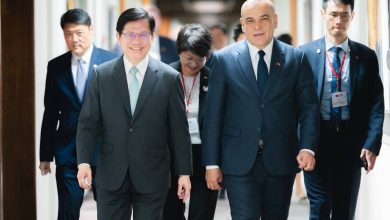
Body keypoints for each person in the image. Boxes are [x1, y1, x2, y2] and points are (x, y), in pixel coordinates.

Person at [202, 0, 320, 219]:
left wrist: (308, 147)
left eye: (263, 19)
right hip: (238, 160)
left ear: (274, 21)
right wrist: (212, 162)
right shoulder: (223, 59)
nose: (257, 26)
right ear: (243, 25)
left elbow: (309, 108)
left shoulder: (296, 58)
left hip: (281, 158)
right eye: (250, 20)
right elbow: (213, 116)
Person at [76, 8, 192, 220]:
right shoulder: (101, 75)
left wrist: (184, 173)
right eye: (130, 34)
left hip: (153, 174)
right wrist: (83, 162)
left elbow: (179, 129)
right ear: (118, 37)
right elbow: (88, 123)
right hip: (111, 173)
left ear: (152, 37)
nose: (136, 41)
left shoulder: (169, 78)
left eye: (143, 34)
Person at [300, 0, 384, 219]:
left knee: (344, 209)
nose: (338, 21)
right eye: (333, 14)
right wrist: (301, 143)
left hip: (350, 143)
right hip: (317, 141)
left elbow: (376, 102)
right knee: (319, 206)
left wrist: (372, 142)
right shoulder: (304, 55)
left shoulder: (366, 56)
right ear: (322, 14)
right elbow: (296, 103)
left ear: (352, 16)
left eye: (344, 15)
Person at [39, 8, 117, 220]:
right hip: (68, 149)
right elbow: (51, 112)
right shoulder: (55, 67)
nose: (74, 39)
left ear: (91, 30)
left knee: (109, 210)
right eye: (68, 33)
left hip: (105, 149)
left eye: (79, 33)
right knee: (67, 211)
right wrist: (45, 155)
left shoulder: (112, 61)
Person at [163, 24, 218, 220]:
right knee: (170, 211)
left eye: (200, 59)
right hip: (172, 154)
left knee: (202, 211)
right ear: (179, 52)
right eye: (189, 58)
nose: (194, 64)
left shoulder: (214, 79)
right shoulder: (164, 76)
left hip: (203, 154)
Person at [277, 32, 307, 201]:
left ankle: (298, 187)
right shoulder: (290, 61)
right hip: (292, 121)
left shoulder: (294, 60)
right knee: (294, 154)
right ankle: (298, 187)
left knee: (294, 155)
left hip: (291, 120)